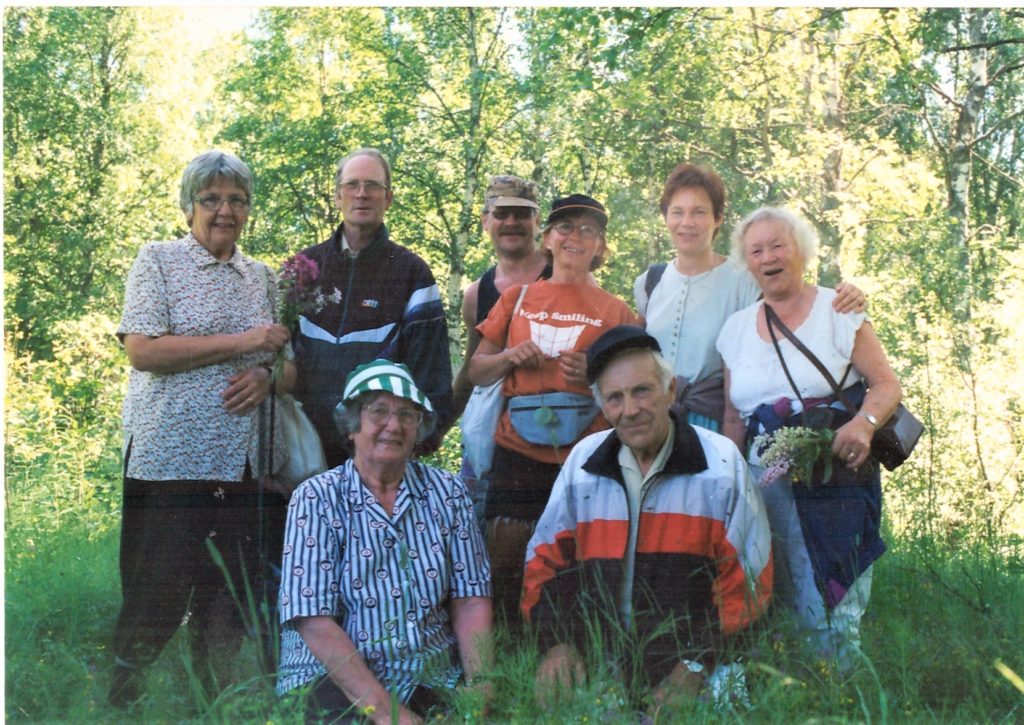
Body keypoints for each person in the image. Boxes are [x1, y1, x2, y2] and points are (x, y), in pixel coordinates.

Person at [110, 150, 297, 706]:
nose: (224, 210)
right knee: (156, 587)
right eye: (211, 199)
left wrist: (267, 377)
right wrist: (244, 344)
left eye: (236, 200)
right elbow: (142, 351)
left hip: (245, 462)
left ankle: (210, 701)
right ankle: (124, 700)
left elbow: (288, 369)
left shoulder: (263, 277)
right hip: (171, 458)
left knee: (228, 594)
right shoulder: (159, 261)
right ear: (189, 206)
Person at [522, 326, 772, 709]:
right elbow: (544, 563)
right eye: (615, 398)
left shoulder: (720, 463)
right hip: (600, 656)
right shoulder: (583, 463)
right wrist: (559, 642)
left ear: (670, 390)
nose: (630, 410)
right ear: (603, 407)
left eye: (642, 391)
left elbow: (749, 579)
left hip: (703, 659)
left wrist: (693, 665)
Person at [716, 206, 901, 669]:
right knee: (773, 579)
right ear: (747, 262)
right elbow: (733, 416)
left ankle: (839, 688)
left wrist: (862, 424)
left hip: (835, 475)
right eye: (756, 250)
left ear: (801, 251)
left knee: (833, 585)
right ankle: (785, 685)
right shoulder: (735, 330)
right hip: (764, 482)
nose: (768, 257)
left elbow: (886, 385)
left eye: (778, 245)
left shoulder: (839, 310)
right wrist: (729, 479)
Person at [277, 360, 492, 724]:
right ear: (352, 425)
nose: (394, 425)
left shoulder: (449, 493)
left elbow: (470, 597)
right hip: (329, 678)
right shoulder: (316, 497)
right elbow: (314, 620)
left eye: (407, 414)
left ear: (419, 428)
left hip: (428, 672)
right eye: (379, 411)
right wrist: (389, 714)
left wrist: (481, 685)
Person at [468, 194, 639, 626]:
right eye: (565, 227)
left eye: (588, 230)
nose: (575, 237)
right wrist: (510, 357)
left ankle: (570, 642)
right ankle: (506, 645)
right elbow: (477, 370)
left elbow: (636, 388)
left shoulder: (618, 312)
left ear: (601, 247)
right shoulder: (517, 299)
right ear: (547, 239)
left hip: (587, 452)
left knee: (579, 552)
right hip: (517, 449)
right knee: (506, 548)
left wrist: (594, 374)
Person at [634, 163, 865, 432]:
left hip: (715, 421)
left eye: (699, 212)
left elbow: (792, 296)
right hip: (654, 421)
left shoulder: (745, 278)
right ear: (666, 217)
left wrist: (851, 294)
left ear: (717, 218)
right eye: (677, 212)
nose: (687, 222)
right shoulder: (649, 282)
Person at [291, 148, 454, 468]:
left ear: (388, 198)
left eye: (373, 186)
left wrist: (417, 445)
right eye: (352, 185)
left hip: (381, 462)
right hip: (306, 456)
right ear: (338, 196)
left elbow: (432, 377)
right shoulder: (305, 268)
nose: (362, 194)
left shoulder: (411, 273)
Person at [452, 175, 551, 525]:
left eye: (522, 214)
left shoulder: (567, 276)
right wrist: (434, 427)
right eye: (501, 213)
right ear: (485, 221)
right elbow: (471, 370)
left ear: (538, 222)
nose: (511, 223)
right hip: (491, 439)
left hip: (555, 434)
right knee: (483, 545)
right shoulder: (476, 294)